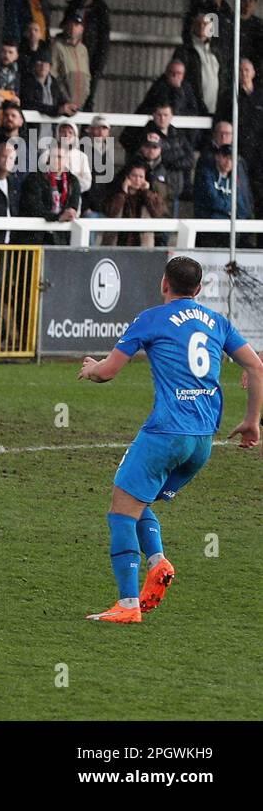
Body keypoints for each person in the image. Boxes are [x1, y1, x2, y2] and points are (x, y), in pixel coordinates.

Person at [78, 256, 262, 624]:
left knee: (120, 511)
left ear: (164, 284)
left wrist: (91, 368)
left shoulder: (150, 319)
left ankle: (128, 605)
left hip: (166, 433)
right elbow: (256, 366)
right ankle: (158, 562)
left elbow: (109, 372)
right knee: (136, 501)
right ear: (199, 290)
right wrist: (251, 421)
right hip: (201, 442)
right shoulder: (218, 322)